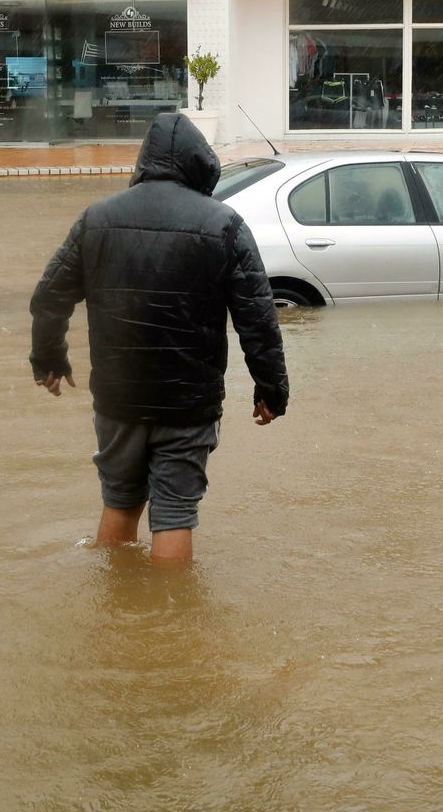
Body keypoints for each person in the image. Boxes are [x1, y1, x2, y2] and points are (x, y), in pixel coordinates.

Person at [30, 112, 289, 564]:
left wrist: (50, 360)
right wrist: (271, 391)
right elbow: (258, 319)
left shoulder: (97, 219)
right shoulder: (225, 225)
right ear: (199, 163)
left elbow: (49, 298)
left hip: (117, 399)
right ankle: (168, 624)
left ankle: (117, 611)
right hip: (188, 403)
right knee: (174, 512)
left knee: (120, 500)